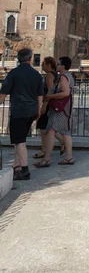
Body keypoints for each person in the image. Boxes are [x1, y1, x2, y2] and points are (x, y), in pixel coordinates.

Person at [0, 48, 43, 180]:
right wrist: (38, 110)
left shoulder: (14, 73)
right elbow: (40, 95)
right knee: (20, 140)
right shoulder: (37, 75)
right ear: (30, 58)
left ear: (18, 58)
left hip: (19, 111)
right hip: (32, 110)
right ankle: (16, 166)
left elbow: (3, 94)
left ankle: (25, 170)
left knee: (19, 142)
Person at [34, 56, 74, 168]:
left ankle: (46, 159)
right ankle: (69, 157)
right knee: (66, 131)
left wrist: (49, 97)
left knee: (50, 131)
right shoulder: (69, 76)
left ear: (63, 66)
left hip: (59, 108)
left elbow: (65, 93)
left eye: (58, 64)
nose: (56, 65)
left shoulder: (63, 77)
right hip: (65, 107)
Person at [33, 57, 65, 159]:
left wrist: (44, 106)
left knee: (43, 127)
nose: (42, 65)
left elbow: (50, 91)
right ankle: (62, 141)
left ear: (49, 65)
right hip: (52, 104)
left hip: (48, 104)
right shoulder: (56, 75)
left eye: (43, 63)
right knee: (48, 127)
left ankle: (44, 150)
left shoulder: (49, 75)